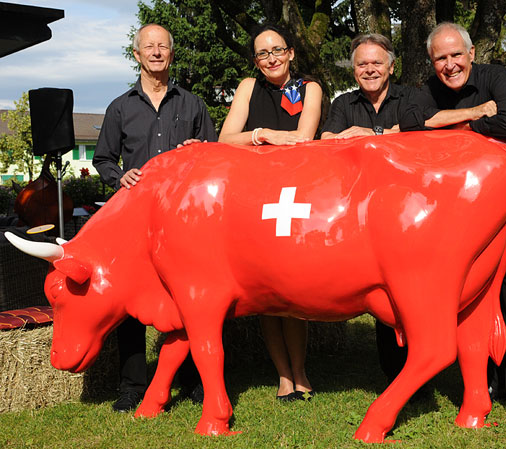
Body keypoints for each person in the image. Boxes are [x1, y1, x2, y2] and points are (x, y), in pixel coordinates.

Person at [400, 22, 506, 432]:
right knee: (474, 298)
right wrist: (476, 114)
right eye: (441, 58)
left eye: (456, 55)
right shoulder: (426, 88)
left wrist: (446, 125)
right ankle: (487, 381)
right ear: (432, 61)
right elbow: (410, 124)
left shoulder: (495, 76)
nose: (449, 65)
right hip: (463, 214)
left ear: (472, 52)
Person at [93, 23, 217, 412]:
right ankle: (132, 386)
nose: (157, 52)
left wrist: (198, 151)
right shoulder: (120, 107)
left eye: (163, 46)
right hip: (136, 220)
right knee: (132, 306)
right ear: (137, 55)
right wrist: (119, 175)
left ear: (171, 53)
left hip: (184, 222)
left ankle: (193, 379)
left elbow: (214, 156)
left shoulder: (193, 104)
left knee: (188, 299)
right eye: (149, 47)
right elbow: (102, 158)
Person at [218, 24, 322, 401]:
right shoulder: (248, 87)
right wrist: (264, 134)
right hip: (255, 196)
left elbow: (304, 140)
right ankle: (282, 376)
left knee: (290, 290)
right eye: (263, 53)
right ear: (256, 61)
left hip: (298, 195)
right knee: (267, 291)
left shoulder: (311, 88)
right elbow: (225, 141)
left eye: (277, 50)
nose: (271, 58)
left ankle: (300, 371)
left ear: (291, 53)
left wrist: (264, 141)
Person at [321, 34, 413, 384]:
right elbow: (327, 141)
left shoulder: (411, 98)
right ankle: (394, 372)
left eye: (376, 62)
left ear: (392, 66)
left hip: (406, 209)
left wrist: (369, 134)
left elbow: (419, 135)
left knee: (410, 287)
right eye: (362, 64)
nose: (369, 69)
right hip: (362, 213)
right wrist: (386, 134)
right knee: (382, 290)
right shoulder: (344, 103)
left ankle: (420, 365)